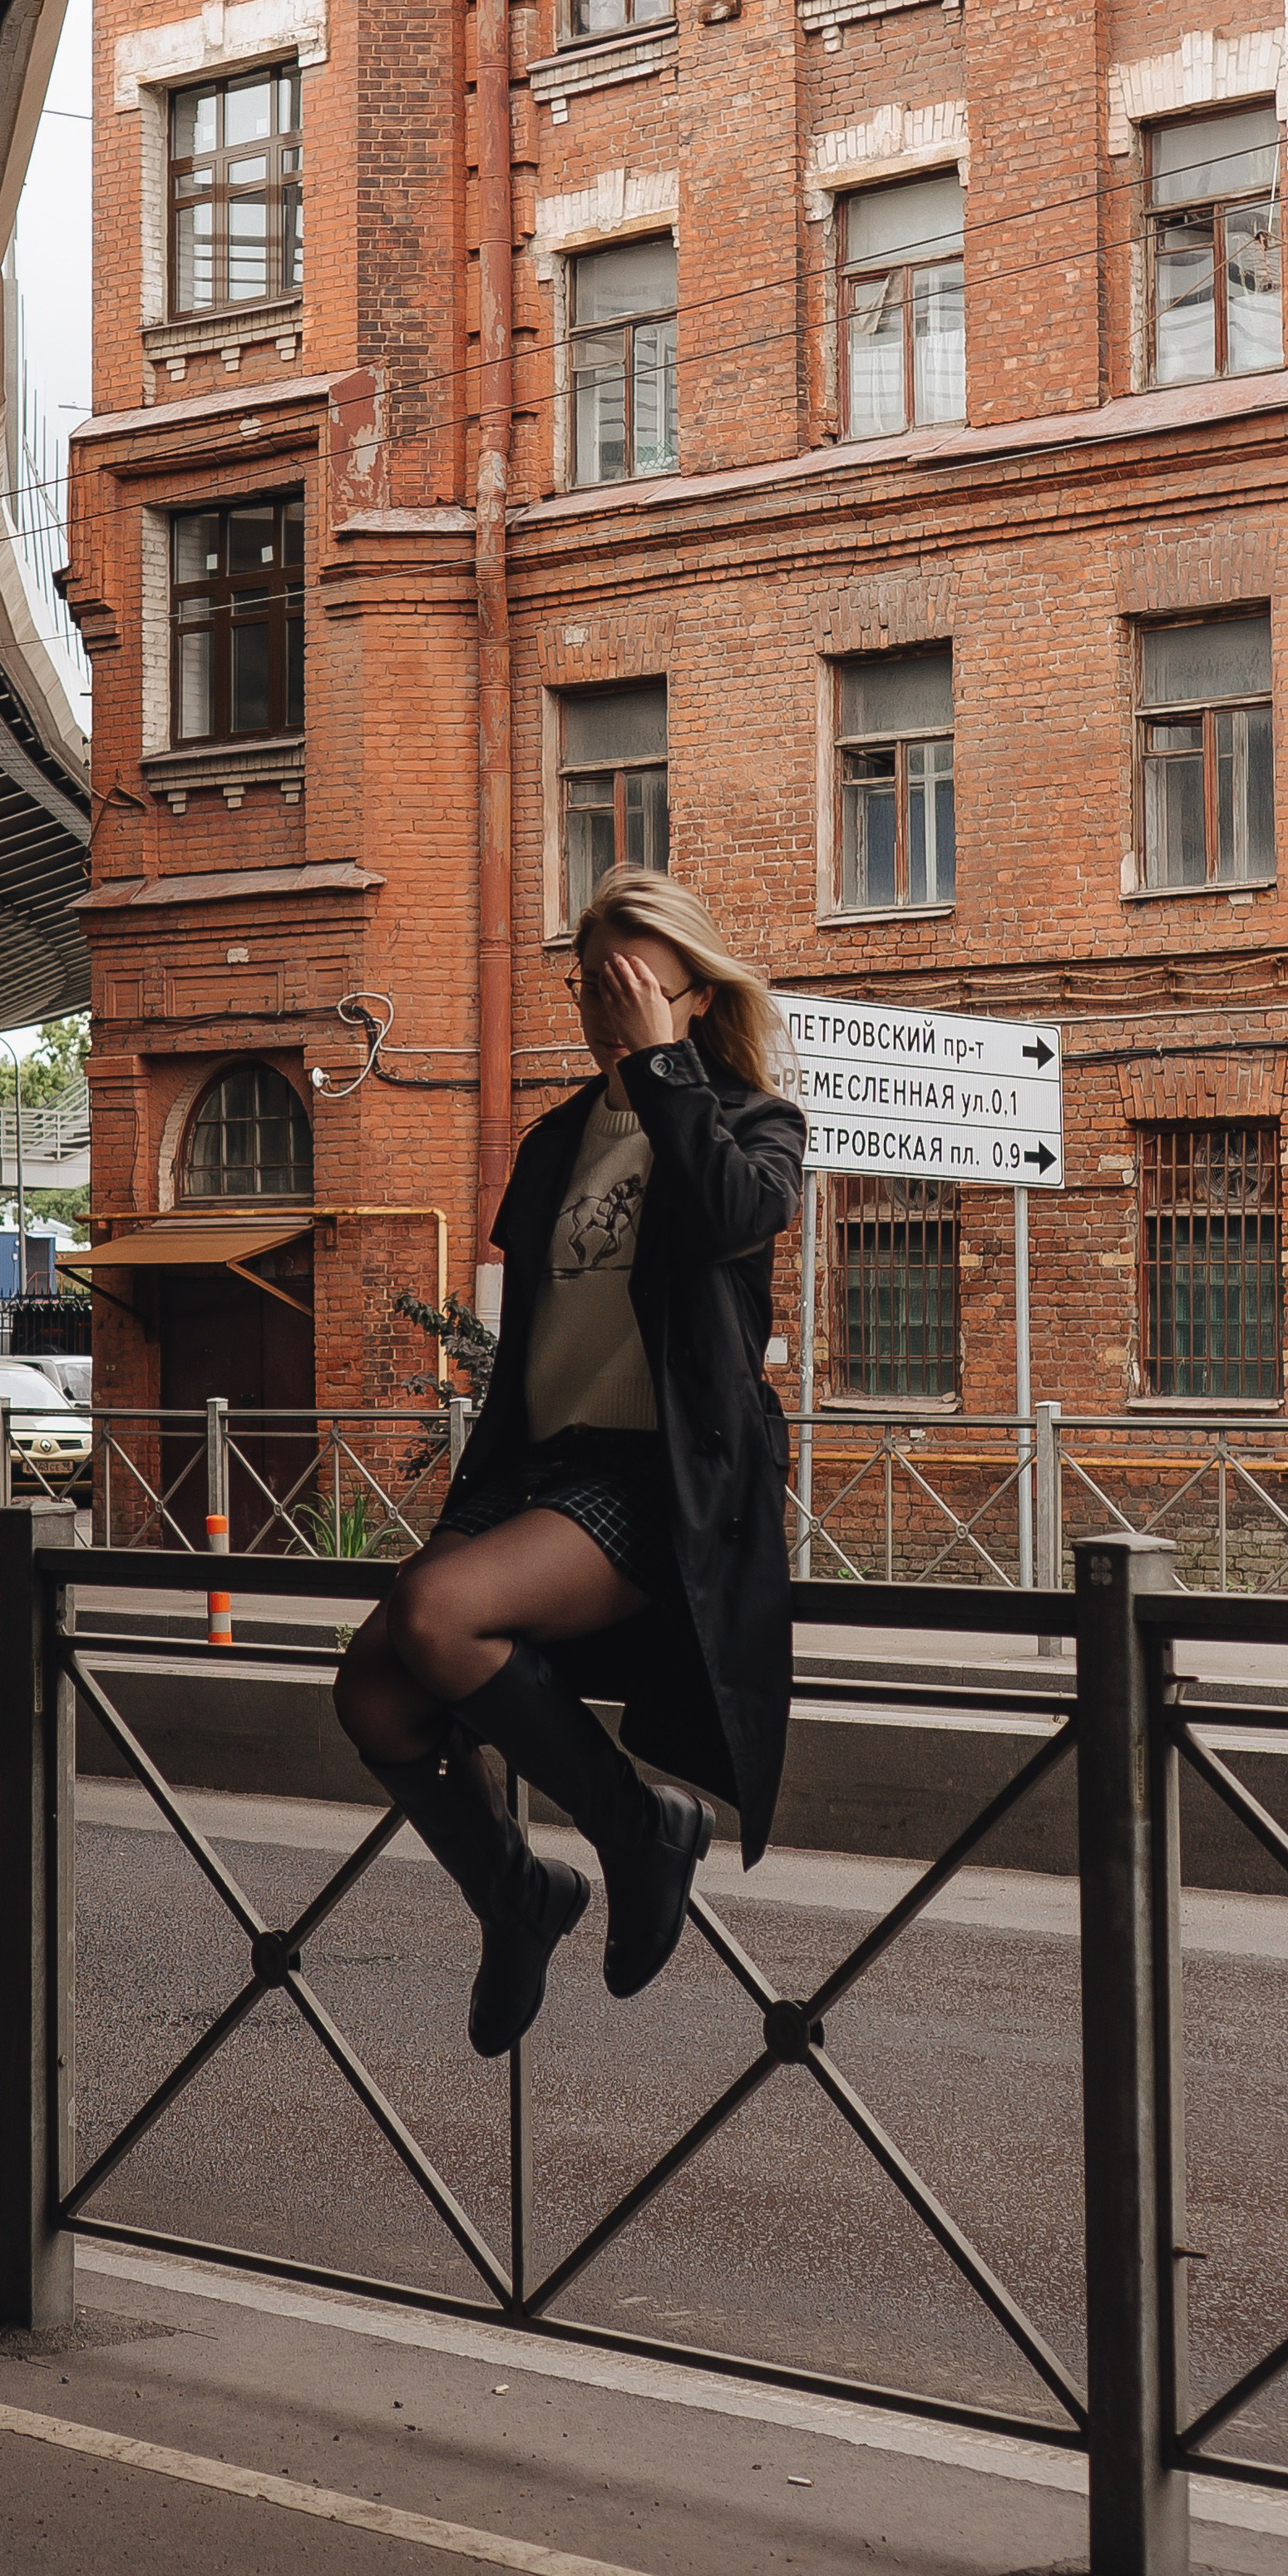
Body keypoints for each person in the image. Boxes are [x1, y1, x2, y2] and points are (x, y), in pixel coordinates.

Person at [333, 863, 805, 2056]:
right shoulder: (557, 1141)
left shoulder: (751, 1122)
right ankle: (516, 1896)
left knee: (437, 1613)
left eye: (638, 983)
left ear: (697, 993)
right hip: (541, 1467)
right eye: (593, 984)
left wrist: (665, 1066)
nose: (610, 1005)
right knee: (373, 1688)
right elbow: (538, 1328)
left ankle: (637, 1828)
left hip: (661, 1477)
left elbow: (731, 1218)